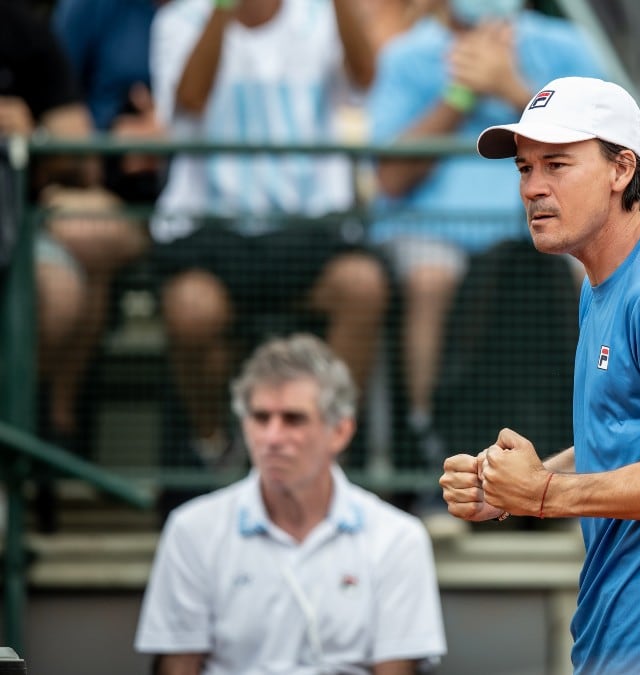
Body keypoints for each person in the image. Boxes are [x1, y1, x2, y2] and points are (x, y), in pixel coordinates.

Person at [440, 76, 640, 674]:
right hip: (625, 641)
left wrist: (544, 495)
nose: (533, 188)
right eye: (524, 169)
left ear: (622, 170)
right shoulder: (609, 281)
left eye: (557, 165)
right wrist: (517, 483)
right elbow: (630, 438)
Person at [149, 0, 389, 475]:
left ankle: (325, 455)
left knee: (362, 286)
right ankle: (214, 445)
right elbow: (190, 101)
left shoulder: (322, 14)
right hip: (212, 232)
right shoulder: (179, 19)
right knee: (192, 311)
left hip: (307, 232)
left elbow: (366, 80)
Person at [367, 0, 604, 461]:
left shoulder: (565, 45)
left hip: (555, 230)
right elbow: (391, 176)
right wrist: (461, 95)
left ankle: (595, 436)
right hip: (434, 233)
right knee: (429, 277)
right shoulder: (405, 55)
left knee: (596, 276)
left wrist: (512, 88)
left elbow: (603, 151)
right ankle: (427, 442)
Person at [135, 333, 446, 674]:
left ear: (340, 432)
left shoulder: (397, 538)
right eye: (260, 417)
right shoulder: (192, 530)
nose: (271, 438)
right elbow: (177, 666)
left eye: (293, 419)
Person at [2, 1, 148, 531]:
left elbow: (78, 148)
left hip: (19, 225)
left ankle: (43, 429)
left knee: (73, 274)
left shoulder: (22, 30)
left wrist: (33, 132)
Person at [53, 0, 168, 206]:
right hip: (104, 188)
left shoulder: (215, 11)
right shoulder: (86, 7)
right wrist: (111, 137)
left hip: (195, 187)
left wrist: (168, 131)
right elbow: (55, 107)